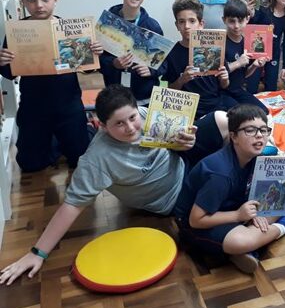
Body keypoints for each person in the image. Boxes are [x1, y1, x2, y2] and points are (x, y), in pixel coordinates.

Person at [0, 84, 197, 286]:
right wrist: (37, 253)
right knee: (214, 197)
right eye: (119, 124)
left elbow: (178, 141)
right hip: (175, 197)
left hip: (185, 167)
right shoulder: (97, 159)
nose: (130, 127)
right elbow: (72, 205)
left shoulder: (145, 115)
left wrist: (188, 142)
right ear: (102, 125)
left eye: (132, 117)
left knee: (215, 120)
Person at [173, 104, 285, 274]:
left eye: (264, 130)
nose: (259, 135)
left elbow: (259, 194)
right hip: (194, 224)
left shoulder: (256, 156)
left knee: (281, 202)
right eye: (250, 130)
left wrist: (256, 213)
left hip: (230, 207)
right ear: (233, 136)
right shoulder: (220, 174)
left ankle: (238, 249)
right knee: (241, 242)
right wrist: (239, 215)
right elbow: (196, 220)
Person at [0, 0, 103, 172]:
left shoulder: (68, 29)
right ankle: (55, 141)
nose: (39, 5)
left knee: (80, 160)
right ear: (23, 1)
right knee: (31, 165)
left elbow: (87, 71)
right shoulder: (16, 32)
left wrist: (93, 55)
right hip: (33, 106)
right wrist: (2, 62)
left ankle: (87, 128)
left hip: (68, 104)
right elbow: (10, 74)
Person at [99, 0, 162, 105]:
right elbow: (99, 60)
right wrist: (113, 63)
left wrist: (151, 70)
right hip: (116, 97)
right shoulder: (107, 23)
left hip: (145, 98)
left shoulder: (153, 26)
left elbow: (164, 63)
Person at [161, 0, 231, 119]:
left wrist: (224, 79)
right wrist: (182, 80)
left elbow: (224, 85)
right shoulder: (172, 53)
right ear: (177, 25)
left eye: (192, 21)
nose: (187, 26)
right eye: (181, 22)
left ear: (201, 24)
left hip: (215, 107)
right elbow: (169, 90)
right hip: (187, 110)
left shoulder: (214, 48)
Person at [246, 0, 285, 92]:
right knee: (251, 87)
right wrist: (251, 13)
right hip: (256, 52)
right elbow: (250, 27)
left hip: (274, 55)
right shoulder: (264, 10)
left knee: (271, 88)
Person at [221, 0, 268, 112]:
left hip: (238, 90)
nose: (236, 26)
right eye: (232, 21)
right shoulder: (220, 42)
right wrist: (237, 63)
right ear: (224, 20)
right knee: (241, 115)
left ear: (247, 19)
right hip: (221, 92)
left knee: (263, 111)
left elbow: (244, 74)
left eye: (240, 21)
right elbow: (215, 74)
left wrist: (254, 66)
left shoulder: (247, 42)